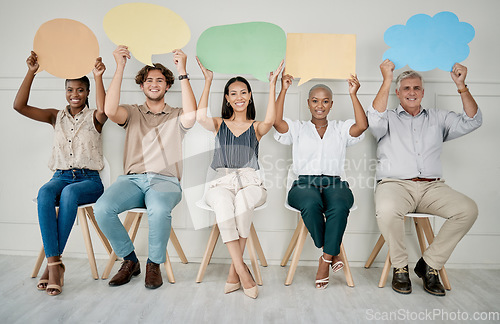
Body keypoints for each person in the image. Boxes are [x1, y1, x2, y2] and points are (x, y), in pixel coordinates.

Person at [368, 59, 482, 296]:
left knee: (467, 209)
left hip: (432, 187)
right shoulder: (387, 118)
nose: (412, 92)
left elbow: (473, 121)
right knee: (387, 210)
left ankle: (430, 264)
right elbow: (374, 119)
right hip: (395, 185)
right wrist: (387, 79)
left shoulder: (438, 117)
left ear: (423, 92)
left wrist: (461, 85)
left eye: (416, 88)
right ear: (398, 93)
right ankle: (400, 267)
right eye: (406, 88)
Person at [94, 45, 197, 289]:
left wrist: (182, 70)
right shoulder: (132, 112)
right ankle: (130, 261)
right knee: (102, 208)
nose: (154, 83)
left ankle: (154, 264)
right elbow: (109, 110)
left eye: (160, 80)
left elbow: (192, 116)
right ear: (142, 85)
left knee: (159, 211)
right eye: (149, 80)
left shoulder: (177, 115)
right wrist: (119, 66)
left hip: (165, 180)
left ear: (167, 86)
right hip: (132, 180)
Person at [13, 51, 107, 296]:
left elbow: (107, 107)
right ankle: (56, 264)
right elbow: (19, 106)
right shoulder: (56, 116)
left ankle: (52, 267)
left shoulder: (96, 116)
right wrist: (31, 72)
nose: (74, 95)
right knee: (45, 192)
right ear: (65, 92)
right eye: (70, 90)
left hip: (89, 181)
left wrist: (98, 77)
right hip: (60, 176)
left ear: (87, 93)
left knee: (69, 194)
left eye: (80, 90)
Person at [196, 57, 283, 299]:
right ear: (227, 99)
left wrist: (273, 84)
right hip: (220, 182)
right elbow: (200, 117)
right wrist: (208, 80)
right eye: (233, 93)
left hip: (251, 182)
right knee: (224, 204)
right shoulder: (218, 123)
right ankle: (243, 272)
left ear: (250, 96)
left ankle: (234, 273)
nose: (239, 97)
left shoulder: (256, 127)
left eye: (243, 92)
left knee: (244, 202)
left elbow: (271, 120)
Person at [274, 72, 367, 289]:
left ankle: (324, 259)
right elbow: (277, 122)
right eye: (315, 101)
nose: (320, 105)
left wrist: (354, 94)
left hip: (334, 183)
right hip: (303, 183)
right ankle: (332, 252)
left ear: (331, 104)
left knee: (341, 204)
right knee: (310, 203)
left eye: (325, 101)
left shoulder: (340, 128)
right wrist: (284, 89)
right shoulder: (298, 128)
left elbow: (361, 126)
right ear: (308, 103)